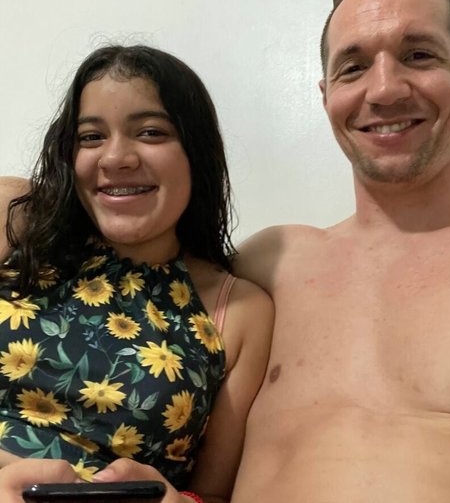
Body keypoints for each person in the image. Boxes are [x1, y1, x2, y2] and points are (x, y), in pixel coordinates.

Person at [0, 45, 273, 503]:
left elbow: (215, 492)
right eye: (91, 137)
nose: (115, 158)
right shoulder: (16, 222)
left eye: (150, 132)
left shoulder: (239, 311)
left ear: (197, 151)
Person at [228, 0, 450, 503]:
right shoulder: (269, 263)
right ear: (326, 95)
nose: (384, 89)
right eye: (353, 68)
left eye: (419, 55)